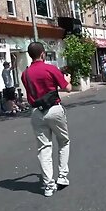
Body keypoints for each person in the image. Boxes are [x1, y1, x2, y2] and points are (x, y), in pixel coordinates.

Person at [21, 42, 72, 197]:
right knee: (63, 141)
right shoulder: (50, 69)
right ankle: (62, 177)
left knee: (44, 148)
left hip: (37, 112)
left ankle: (48, 186)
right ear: (43, 54)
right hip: (54, 109)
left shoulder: (25, 74)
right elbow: (67, 88)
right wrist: (67, 78)